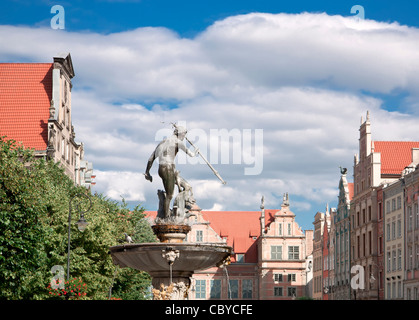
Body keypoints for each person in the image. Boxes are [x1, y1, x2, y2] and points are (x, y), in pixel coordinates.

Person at [144, 126, 198, 218]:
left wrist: (147, 172)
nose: (184, 137)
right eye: (184, 134)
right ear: (180, 133)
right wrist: (195, 151)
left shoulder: (162, 142)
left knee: (170, 190)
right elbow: (190, 154)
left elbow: (151, 158)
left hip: (160, 169)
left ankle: (166, 213)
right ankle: (166, 218)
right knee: (170, 195)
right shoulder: (177, 141)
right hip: (169, 168)